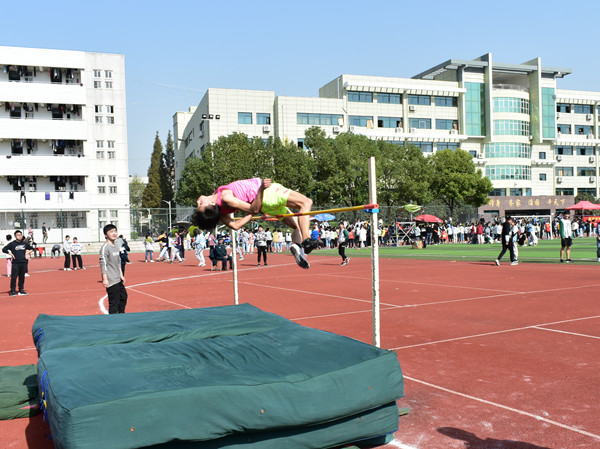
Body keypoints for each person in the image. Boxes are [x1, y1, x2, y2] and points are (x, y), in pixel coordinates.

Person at [194, 178, 316, 269]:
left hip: (266, 204)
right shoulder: (226, 198)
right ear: (212, 204)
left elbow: (235, 226)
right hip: (268, 193)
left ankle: (298, 246)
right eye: (201, 205)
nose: (198, 201)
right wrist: (261, 190)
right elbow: (253, 209)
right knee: (306, 202)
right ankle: (307, 241)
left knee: (297, 226)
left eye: (198, 204)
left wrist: (255, 211)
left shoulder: (220, 207)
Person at [99, 224, 127, 314]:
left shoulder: (116, 246)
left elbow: (118, 262)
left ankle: (121, 315)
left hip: (117, 278)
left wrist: (121, 275)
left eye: (115, 231)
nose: (114, 233)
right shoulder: (105, 248)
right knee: (114, 303)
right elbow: (103, 264)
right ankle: (113, 322)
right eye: (111, 232)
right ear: (105, 235)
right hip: (111, 279)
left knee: (123, 297)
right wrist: (105, 279)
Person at [2, 230, 33, 296]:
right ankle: (13, 291)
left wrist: (27, 252)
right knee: (14, 277)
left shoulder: (24, 244)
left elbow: (32, 248)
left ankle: (21, 290)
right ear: (15, 236)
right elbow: (4, 249)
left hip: (23, 262)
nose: (19, 236)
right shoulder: (12, 244)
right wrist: (10, 253)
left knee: (22, 277)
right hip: (15, 263)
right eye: (18, 235)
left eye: (20, 235)